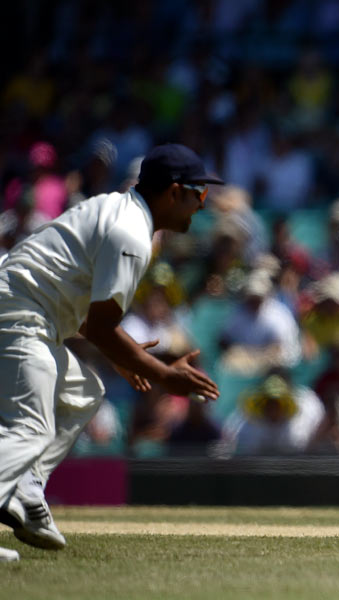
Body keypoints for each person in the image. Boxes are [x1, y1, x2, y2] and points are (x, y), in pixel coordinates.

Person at [0, 143, 221, 563]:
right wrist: (162, 374)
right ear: (173, 192)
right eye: (199, 194)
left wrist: (123, 353)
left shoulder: (117, 209)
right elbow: (102, 327)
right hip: (18, 314)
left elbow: (76, 301)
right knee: (30, 427)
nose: (201, 205)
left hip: (26, 311)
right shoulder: (131, 234)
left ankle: (25, 494)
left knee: (82, 393)